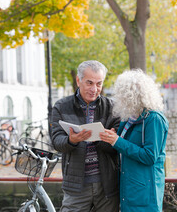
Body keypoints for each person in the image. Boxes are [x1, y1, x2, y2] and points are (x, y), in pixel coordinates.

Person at [50, 60, 120, 212]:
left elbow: (118, 148)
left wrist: (106, 139)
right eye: (89, 83)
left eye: (99, 84)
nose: (94, 89)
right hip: (76, 185)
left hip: (107, 185)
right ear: (78, 80)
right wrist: (71, 140)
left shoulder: (113, 108)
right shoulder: (61, 106)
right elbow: (56, 141)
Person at [100, 69, 169, 212]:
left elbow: (150, 156)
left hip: (145, 187)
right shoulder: (130, 116)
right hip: (129, 183)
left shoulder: (154, 119)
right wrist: (113, 136)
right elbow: (123, 142)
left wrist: (117, 141)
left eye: (123, 95)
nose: (120, 99)